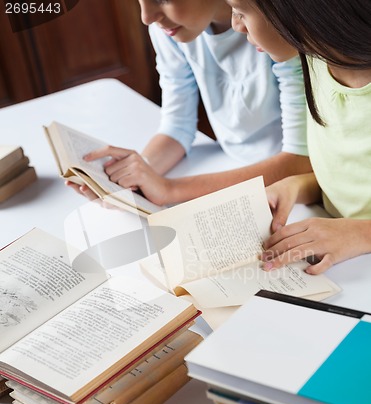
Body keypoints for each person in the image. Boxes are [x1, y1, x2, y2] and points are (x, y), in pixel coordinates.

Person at [69, 0, 311, 206]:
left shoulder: (273, 31)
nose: (146, 17)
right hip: (235, 167)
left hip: (297, 191)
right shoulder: (169, 29)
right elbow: (177, 126)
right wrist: (136, 176)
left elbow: (300, 161)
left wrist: (169, 189)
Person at [226, 0, 371, 275]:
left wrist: (362, 233)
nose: (235, 24)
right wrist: (298, 185)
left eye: (240, 11)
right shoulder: (316, 61)